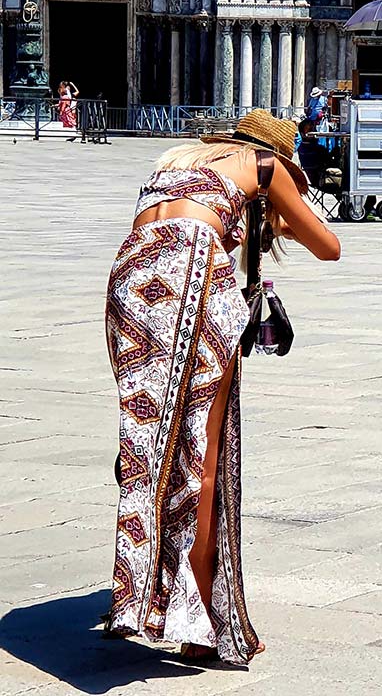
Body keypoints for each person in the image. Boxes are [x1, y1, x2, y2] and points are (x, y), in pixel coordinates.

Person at [105, 111, 341, 663]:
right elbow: (328, 246)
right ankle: (201, 619)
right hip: (191, 274)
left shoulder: (177, 161)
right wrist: (286, 217)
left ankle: (141, 592)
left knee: (147, 442)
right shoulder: (265, 166)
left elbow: (185, 218)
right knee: (204, 456)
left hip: (131, 276)